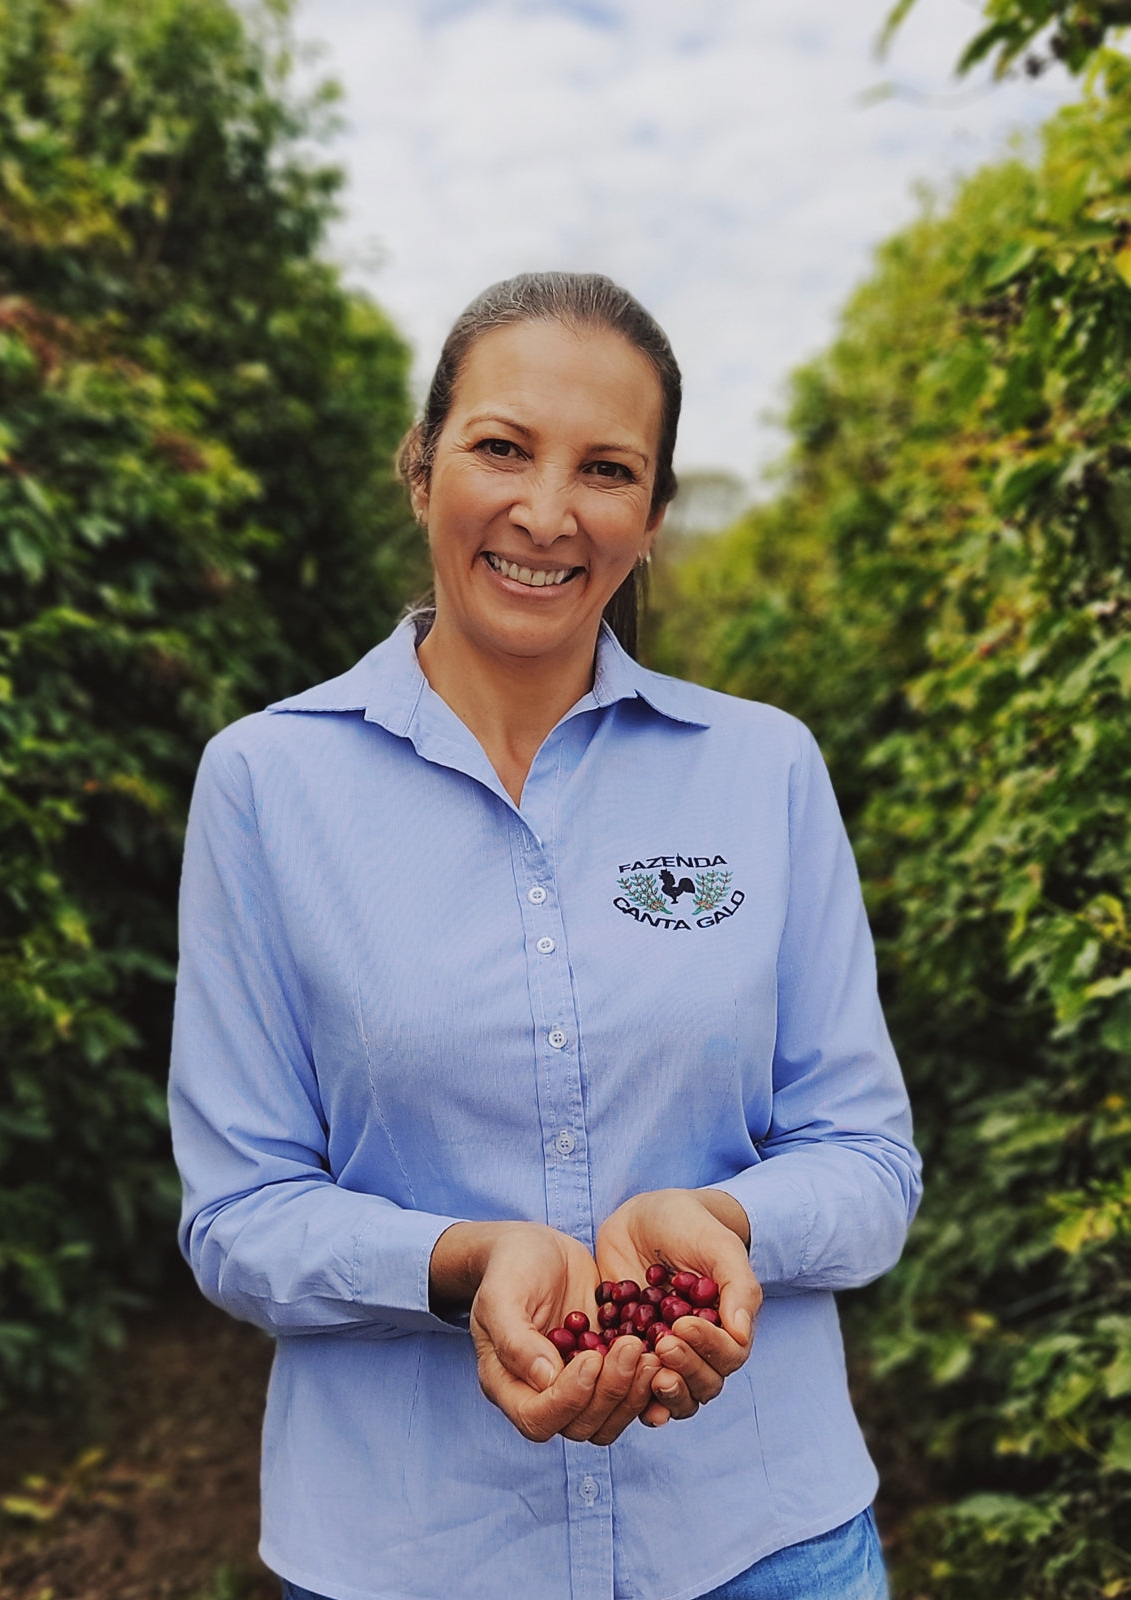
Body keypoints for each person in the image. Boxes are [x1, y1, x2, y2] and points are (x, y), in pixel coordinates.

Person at [169, 271, 922, 1600]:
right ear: (421, 466)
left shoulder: (763, 771)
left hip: (766, 1545)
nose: (546, 511)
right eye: (502, 447)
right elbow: (238, 1211)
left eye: (607, 469)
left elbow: (867, 1161)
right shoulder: (267, 785)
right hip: (407, 1557)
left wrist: (722, 1222)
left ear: (652, 518)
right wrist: (461, 1260)